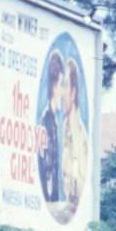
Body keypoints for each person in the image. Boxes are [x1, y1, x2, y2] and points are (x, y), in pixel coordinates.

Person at [61, 59, 89, 215]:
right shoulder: (66, 128)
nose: (60, 93)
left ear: (73, 93)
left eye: (64, 85)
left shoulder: (79, 136)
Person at [38, 50, 64, 202]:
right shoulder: (47, 120)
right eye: (61, 85)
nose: (63, 92)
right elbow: (47, 167)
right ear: (54, 87)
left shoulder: (53, 120)